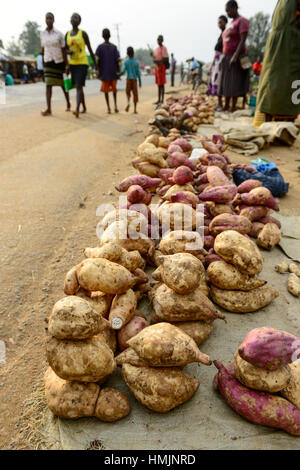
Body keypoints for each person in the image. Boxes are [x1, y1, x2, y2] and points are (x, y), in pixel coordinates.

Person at [254, 0, 300, 125]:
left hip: (292, 42)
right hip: (275, 41)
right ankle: (267, 119)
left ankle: (288, 122)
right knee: (269, 80)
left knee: (291, 82)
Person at [219, 1, 250, 113]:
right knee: (226, 83)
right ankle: (226, 105)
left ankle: (233, 106)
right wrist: (223, 57)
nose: (227, 13)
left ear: (235, 8)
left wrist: (235, 56)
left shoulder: (242, 21)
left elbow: (242, 39)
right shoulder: (231, 23)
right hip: (227, 56)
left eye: (228, 10)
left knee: (235, 81)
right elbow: (226, 42)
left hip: (237, 56)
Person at [66, 13, 96, 118]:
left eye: (76, 17)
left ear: (79, 21)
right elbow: (64, 49)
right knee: (78, 86)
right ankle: (84, 107)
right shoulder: (67, 34)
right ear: (70, 20)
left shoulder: (83, 34)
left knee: (79, 86)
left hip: (82, 63)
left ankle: (77, 109)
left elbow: (90, 49)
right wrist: (68, 53)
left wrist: (96, 65)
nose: (74, 19)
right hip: (73, 63)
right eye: (72, 17)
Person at [40, 12, 70, 116]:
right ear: (45, 20)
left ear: (53, 20)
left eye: (50, 18)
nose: (48, 20)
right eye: (47, 18)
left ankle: (68, 103)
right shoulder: (42, 34)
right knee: (48, 85)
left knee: (63, 85)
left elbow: (64, 50)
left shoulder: (59, 34)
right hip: (48, 61)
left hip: (59, 61)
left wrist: (67, 65)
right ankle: (49, 108)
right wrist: (43, 61)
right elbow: (43, 48)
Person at [96, 29, 121, 114]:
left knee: (106, 92)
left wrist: (98, 71)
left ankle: (109, 108)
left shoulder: (100, 47)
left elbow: (98, 61)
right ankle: (115, 106)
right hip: (113, 73)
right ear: (110, 35)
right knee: (114, 91)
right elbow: (117, 60)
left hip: (104, 73)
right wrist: (118, 71)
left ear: (102, 36)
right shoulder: (114, 47)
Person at [207, 15, 228, 110]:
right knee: (215, 80)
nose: (219, 24)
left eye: (221, 22)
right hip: (216, 60)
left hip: (221, 59)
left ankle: (222, 104)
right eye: (218, 22)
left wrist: (221, 61)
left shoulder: (226, 33)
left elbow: (226, 48)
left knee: (219, 81)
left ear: (225, 22)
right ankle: (219, 104)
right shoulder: (221, 34)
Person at [118, 47, 141, 114]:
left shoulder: (126, 62)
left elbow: (123, 71)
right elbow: (138, 73)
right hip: (134, 80)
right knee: (135, 94)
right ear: (133, 53)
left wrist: (118, 75)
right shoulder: (136, 62)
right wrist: (140, 82)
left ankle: (128, 102)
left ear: (127, 54)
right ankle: (135, 109)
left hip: (128, 79)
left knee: (128, 93)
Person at [151, 35, 169, 106]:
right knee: (158, 84)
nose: (159, 41)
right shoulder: (157, 49)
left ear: (162, 40)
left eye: (160, 40)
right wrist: (153, 56)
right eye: (158, 40)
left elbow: (165, 58)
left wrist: (158, 62)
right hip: (157, 68)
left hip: (161, 67)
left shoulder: (164, 48)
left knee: (162, 84)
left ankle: (162, 99)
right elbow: (155, 58)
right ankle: (159, 99)